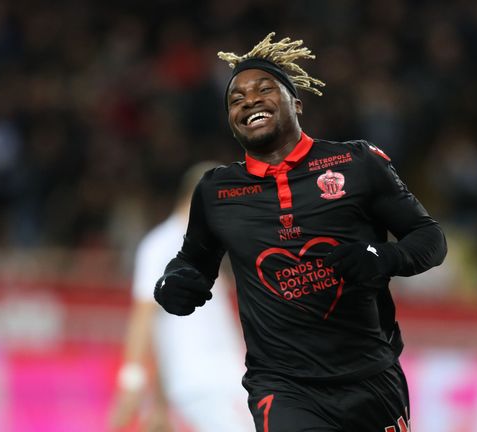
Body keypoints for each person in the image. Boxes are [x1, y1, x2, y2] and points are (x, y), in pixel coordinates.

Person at [153, 33, 447, 432]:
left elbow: (429, 239)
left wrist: (383, 258)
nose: (249, 101)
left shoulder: (356, 162)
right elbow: (193, 262)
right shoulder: (216, 192)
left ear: (296, 102)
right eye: (236, 100)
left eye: (263, 89)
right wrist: (175, 283)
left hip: (369, 376)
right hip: (283, 386)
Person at [109, 161, 251, 432]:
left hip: (229, 380)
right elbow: (143, 316)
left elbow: (171, 328)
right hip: (204, 383)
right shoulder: (160, 246)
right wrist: (132, 383)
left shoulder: (203, 247)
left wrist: (160, 404)